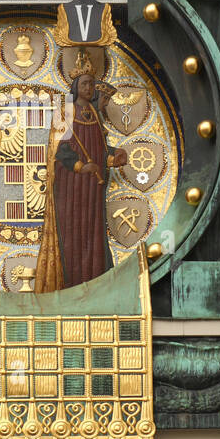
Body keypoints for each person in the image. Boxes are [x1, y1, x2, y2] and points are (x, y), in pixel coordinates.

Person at [35, 54, 128, 291]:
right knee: (74, 233)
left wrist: (111, 157)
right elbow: (61, 151)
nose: (89, 88)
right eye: (84, 84)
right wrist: (80, 166)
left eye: (91, 84)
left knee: (92, 232)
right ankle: (71, 283)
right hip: (71, 188)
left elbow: (97, 148)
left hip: (92, 189)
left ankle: (95, 281)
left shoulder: (94, 114)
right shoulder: (66, 113)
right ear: (76, 87)